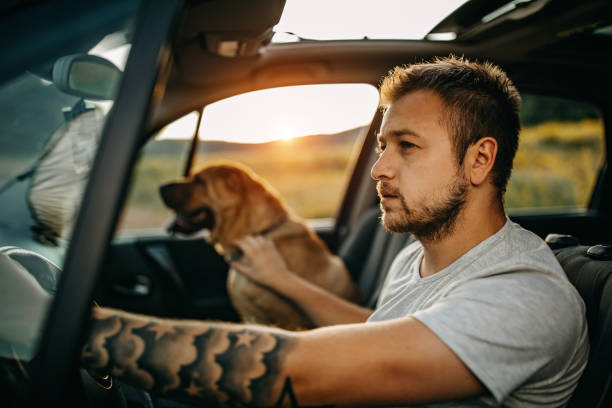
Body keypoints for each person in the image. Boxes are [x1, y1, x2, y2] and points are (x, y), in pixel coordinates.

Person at [81, 56, 589, 407]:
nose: (379, 169)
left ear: (480, 160)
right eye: (382, 146)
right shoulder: (417, 258)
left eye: (407, 146)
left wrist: (82, 334)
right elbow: (375, 328)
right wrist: (283, 281)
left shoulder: (524, 297)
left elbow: (298, 373)